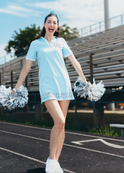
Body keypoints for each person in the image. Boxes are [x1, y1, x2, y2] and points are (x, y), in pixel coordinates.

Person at [12, 11, 87, 173]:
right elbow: (27, 67)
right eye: (49, 22)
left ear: (57, 26)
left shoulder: (61, 42)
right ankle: (51, 159)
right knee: (59, 121)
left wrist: (84, 80)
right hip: (47, 87)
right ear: (44, 25)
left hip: (64, 86)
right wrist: (17, 86)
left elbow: (74, 61)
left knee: (62, 125)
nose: (52, 25)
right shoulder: (36, 44)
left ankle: (56, 162)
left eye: (54, 22)